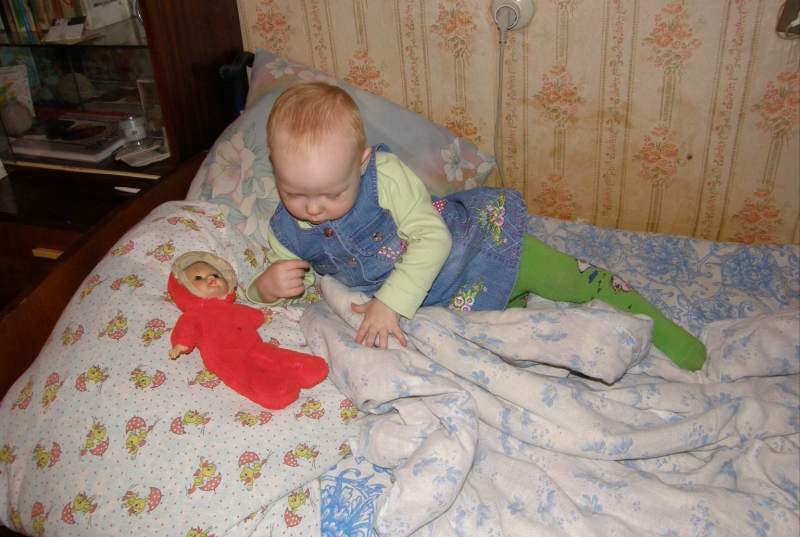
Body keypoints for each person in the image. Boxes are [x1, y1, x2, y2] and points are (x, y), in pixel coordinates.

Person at [247, 82, 707, 371]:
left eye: (332, 194)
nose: (313, 209)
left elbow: (434, 239)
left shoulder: (384, 177)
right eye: (294, 193)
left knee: (573, 280)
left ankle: (673, 337)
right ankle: (519, 303)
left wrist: (388, 303)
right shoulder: (286, 230)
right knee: (525, 340)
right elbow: (291, 287)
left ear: (362, 163)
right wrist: (264, 287)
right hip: (453, 304)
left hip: (480, 247)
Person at [168, 251, 328, 409]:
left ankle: (304, 369)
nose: (211, 278)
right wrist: (181, 344)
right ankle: (273, 391)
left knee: (273, 356)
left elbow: (246, 314)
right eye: (198, 278)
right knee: (248, 375)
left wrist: (261, 317)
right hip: (226, 358)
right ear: (184, 289)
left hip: (254, 345)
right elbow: (187, 327)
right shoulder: (195, 315)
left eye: (215, 275)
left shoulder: (232, 308)